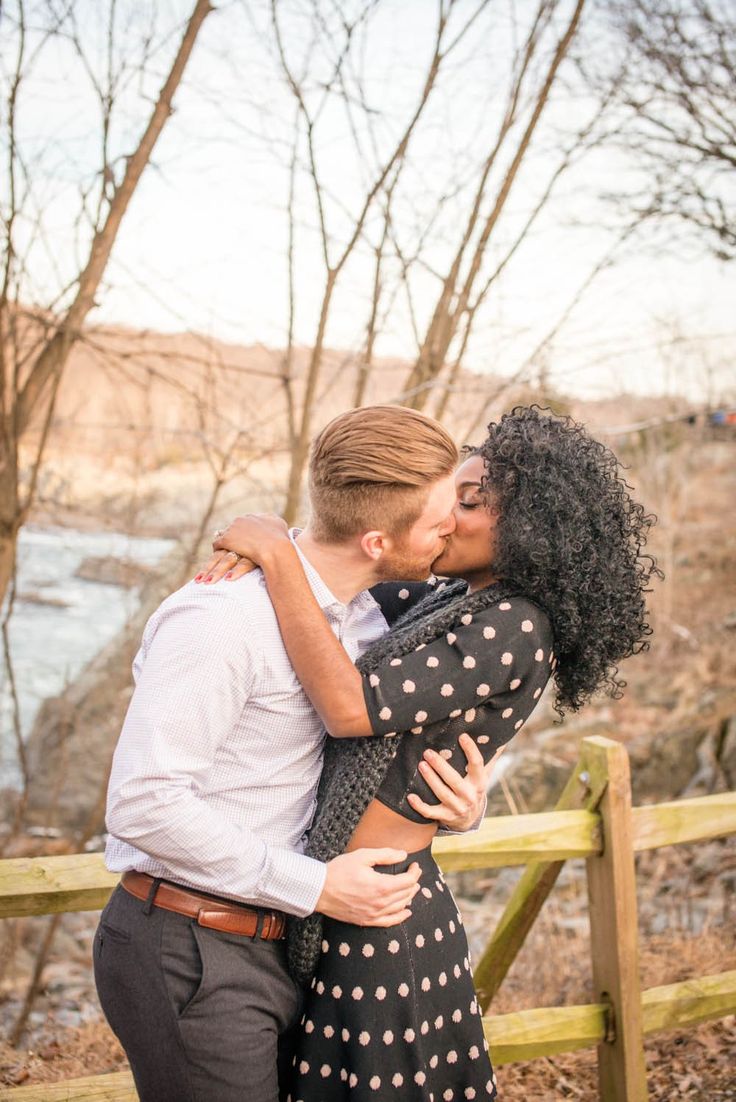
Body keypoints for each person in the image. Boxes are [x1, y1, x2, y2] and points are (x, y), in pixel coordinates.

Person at [200, 405, 661, 1102]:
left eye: (469, 502)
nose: (447, 514)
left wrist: (273, 551)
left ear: (533, 528)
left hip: (385, 922)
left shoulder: (516, 622)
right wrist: (277, 547)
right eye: (449, 495)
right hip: (339, 898)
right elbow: (347, 563)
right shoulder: (448, 595)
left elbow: (352, 706)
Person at [93, 405, 493, 1102]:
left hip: (289, 941)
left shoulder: (366, 621)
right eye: (438, 523)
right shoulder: (220, 620)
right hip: (190, 945)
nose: (452, 532)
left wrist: (460, 808)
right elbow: (141, 802)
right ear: (376, 539)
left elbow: (361, 763)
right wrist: (316, 886)